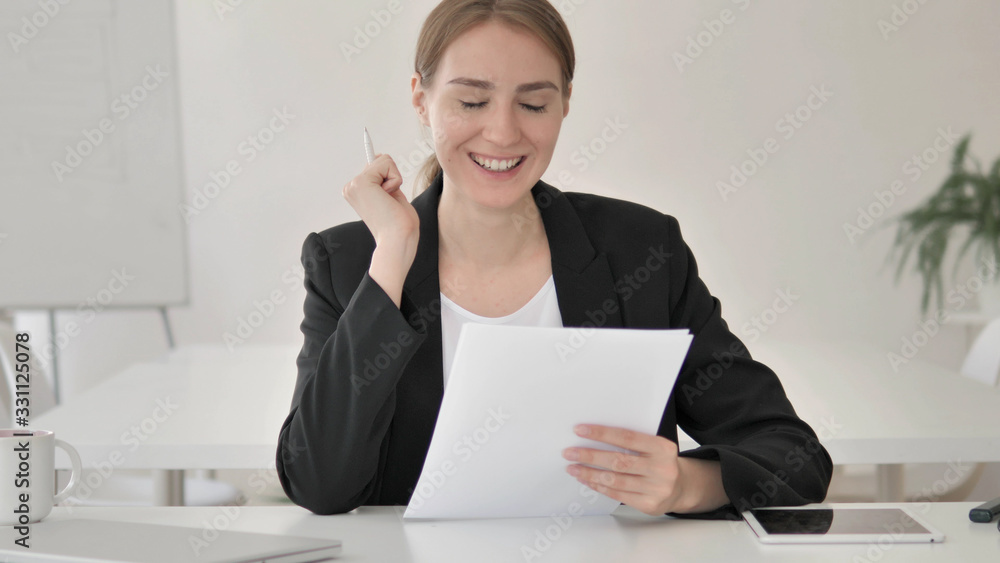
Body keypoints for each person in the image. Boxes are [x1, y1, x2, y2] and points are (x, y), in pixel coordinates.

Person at [276, 0, 832, 519]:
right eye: (472, 101)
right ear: (421, 99)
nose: (503, 132)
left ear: (565, 102)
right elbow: (319, 483)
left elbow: (793, 454)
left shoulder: (642, 252)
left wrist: (688, 484)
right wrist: (393, 256)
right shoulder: (347, 263)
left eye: (533, 104)